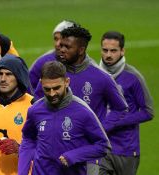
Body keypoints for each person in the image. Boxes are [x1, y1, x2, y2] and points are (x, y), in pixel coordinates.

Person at [33, 26, 128, 175]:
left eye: (67, 46)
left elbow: (121, 108)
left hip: (89, 158)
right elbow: (37, 104)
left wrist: (101, 128)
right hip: (55, 153)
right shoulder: (54, 77)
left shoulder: (101, 77)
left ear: (81, 50)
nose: (61, 49)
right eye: (61, 45)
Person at [18, 61, 111, 175]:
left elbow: (103, 146)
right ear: (41, 83)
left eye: (57, 88)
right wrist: (22, 172)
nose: (52, 94)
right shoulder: (35, 110)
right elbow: (28, 139)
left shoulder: (83, 111)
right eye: (47, 89)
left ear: (67, 82)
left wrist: (74, 156)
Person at [98, 31, 154, 175]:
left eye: (113, 50)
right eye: (105, 50)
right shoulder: (95, 75)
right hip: (100, 149)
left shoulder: (133, 77)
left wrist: (117, 121)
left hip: (126, 150)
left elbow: (148, 111)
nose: (108, 55)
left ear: (122, 51)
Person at [29, 20, 80, 90]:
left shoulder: (90, 67)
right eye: (56, 39)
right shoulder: (42, 62)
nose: (57, 44)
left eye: (62, 38)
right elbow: (28, 90)